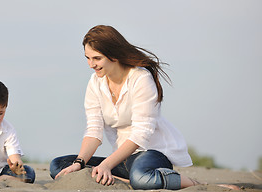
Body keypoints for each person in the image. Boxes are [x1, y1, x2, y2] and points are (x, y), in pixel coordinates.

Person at [50, 25, 215, 190]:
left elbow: (141, 134)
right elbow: (94, 130)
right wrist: (79, 163)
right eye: (88, 57)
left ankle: (193, 183)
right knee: (59, 166)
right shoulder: (95, 83)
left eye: (97, 58)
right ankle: (122, 179)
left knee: (141, 178)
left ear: (113, 55)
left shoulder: (140, 78)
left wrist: (106, 164)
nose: (91, 64)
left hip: (152, 153)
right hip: (123, 159)